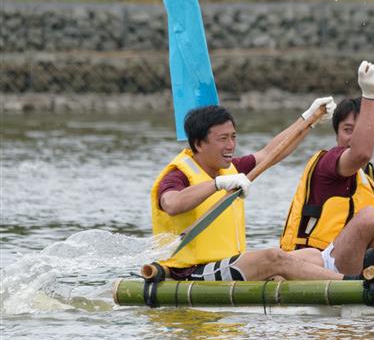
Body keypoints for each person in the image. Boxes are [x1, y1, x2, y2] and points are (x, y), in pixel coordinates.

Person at [151, 98, 359, 282]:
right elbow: (172, 203)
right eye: (222, 139)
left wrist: (308, 120)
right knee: (272, 257)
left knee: (312, 255)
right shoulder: (178, 175)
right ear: (198, 144)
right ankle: (353, 285)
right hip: (193, 271)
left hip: (228, 263)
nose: (231, 145)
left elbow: (271, 153)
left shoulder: (231, 169)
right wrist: (216, 184)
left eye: (233, 137)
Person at [279, 61, 374, 277]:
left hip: (346, 263)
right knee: (372, 219)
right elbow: (360, 153)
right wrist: (370, 94)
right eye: (348, 130)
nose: (354, 137)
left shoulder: (368, 181)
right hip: (310, 266)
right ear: (336, 134)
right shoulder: (328, 162)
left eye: (362, 130)